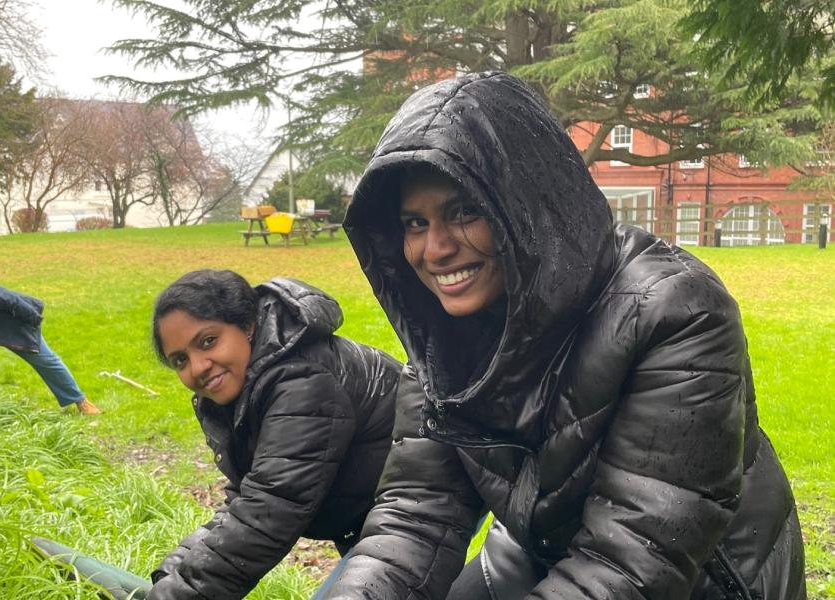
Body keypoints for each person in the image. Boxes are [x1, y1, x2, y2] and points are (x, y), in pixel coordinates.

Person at [320, 72, 806, 599]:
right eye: (414, 223)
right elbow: (417, 515)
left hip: (698, 572)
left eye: (464, 212)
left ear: (526, 202)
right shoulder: (444, 337)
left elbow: (634, 561)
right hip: (538, 544)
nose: (434, 250)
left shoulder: (675, 311)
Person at [147, 270, 401, 599]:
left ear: (248, 325)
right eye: (180, 360)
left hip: (423, 504)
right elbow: (249, 495)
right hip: (368, 515)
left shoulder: (302, 381)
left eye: (208, 341)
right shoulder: (244, 388)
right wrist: (173, 571)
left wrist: (177, 594)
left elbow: (270, 509)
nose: (197, 367)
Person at [0, 277, 100, 415]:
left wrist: (32, 315)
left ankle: (80, 401)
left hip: (11, 323)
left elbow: (2, 296)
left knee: (43, 359)